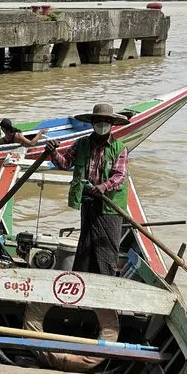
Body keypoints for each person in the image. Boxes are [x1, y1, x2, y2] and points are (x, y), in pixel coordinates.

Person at [45, 103, 130, 276]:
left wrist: (103, 186)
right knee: (86, 243)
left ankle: (105, 281)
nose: (102, 125)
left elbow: (120, 176)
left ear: (111, 124)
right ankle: (83, 278)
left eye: (106, 121)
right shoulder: (81, 144)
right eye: (98, 121)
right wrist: (53, 152)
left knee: (106, 245)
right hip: (88, 200)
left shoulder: (119, 148)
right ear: (92, 124)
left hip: (109, 204)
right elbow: (65, 163)